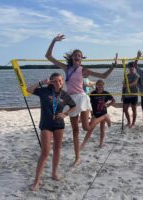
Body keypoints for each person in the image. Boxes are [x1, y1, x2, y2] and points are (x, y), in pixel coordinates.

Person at [45, 34, 117, 166]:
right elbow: (48, 56)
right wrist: (53, 41)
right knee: (75, 131)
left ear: (81, 59)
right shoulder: (66, 68)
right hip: (70, 99)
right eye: (75, 55)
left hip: (82, 98)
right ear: (72, 57)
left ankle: (103, 117)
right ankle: (77, 158)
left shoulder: (83, 71)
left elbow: (104, 76)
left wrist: (113, 66)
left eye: (79, 55)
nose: (77, 57)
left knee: (86, 127)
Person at [26, 73, 76, 191]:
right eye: (54, 81)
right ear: (50, 82)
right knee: (45, 151)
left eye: (59, 80)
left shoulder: (65, 95)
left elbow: (73, 106)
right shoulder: (44, 91)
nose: (57, 83)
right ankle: (37, 181)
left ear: (62, 81)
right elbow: (28, 90)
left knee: (57, 149)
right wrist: (42, 82)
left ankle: (54, 173)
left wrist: (65, 114)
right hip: (46, 125)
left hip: (59, 124)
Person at [81, 79, 115, 149]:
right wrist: (91, 113)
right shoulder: (93, 93)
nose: (100, 87)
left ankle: (101, 144)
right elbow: (89, 104)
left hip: (103, 113)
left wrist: (107, 105)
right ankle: (83, 144)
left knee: (102, 129)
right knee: (90, 129)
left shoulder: (106, 93)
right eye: (99, 85)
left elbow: (113, 100)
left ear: (103, 86)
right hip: (95, 114)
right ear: (96, 85)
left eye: (102, 85)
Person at [122, 61, 139, 128]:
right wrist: (122, 95)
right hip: (127, 95)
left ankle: (133, 123)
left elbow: (134, 84)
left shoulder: (137, 75)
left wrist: (126, 85)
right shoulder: (126, 75)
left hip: (134, 95)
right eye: (130, 67)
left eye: (132, 67)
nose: (131, 68)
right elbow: (123, 86)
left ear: (134, 67)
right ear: (128, 68)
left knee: (133, 109)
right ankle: (129, 121)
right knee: (125, 109)